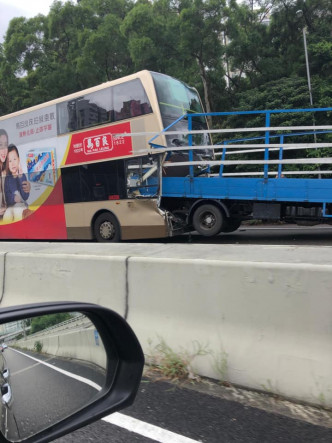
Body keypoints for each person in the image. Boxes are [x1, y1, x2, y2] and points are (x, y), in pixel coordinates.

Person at [3, 144, 30, 223]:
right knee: (7, 215)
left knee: (17, 210)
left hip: (21, 205)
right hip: (11, 206)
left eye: (14, 159)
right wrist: (13, 198)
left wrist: (20, 177)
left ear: (19, 159)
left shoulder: (22, 176)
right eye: (9, 161)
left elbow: (25, 196)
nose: (12, 163)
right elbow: (7, 196)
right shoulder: (7, 179)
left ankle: (19, 232)